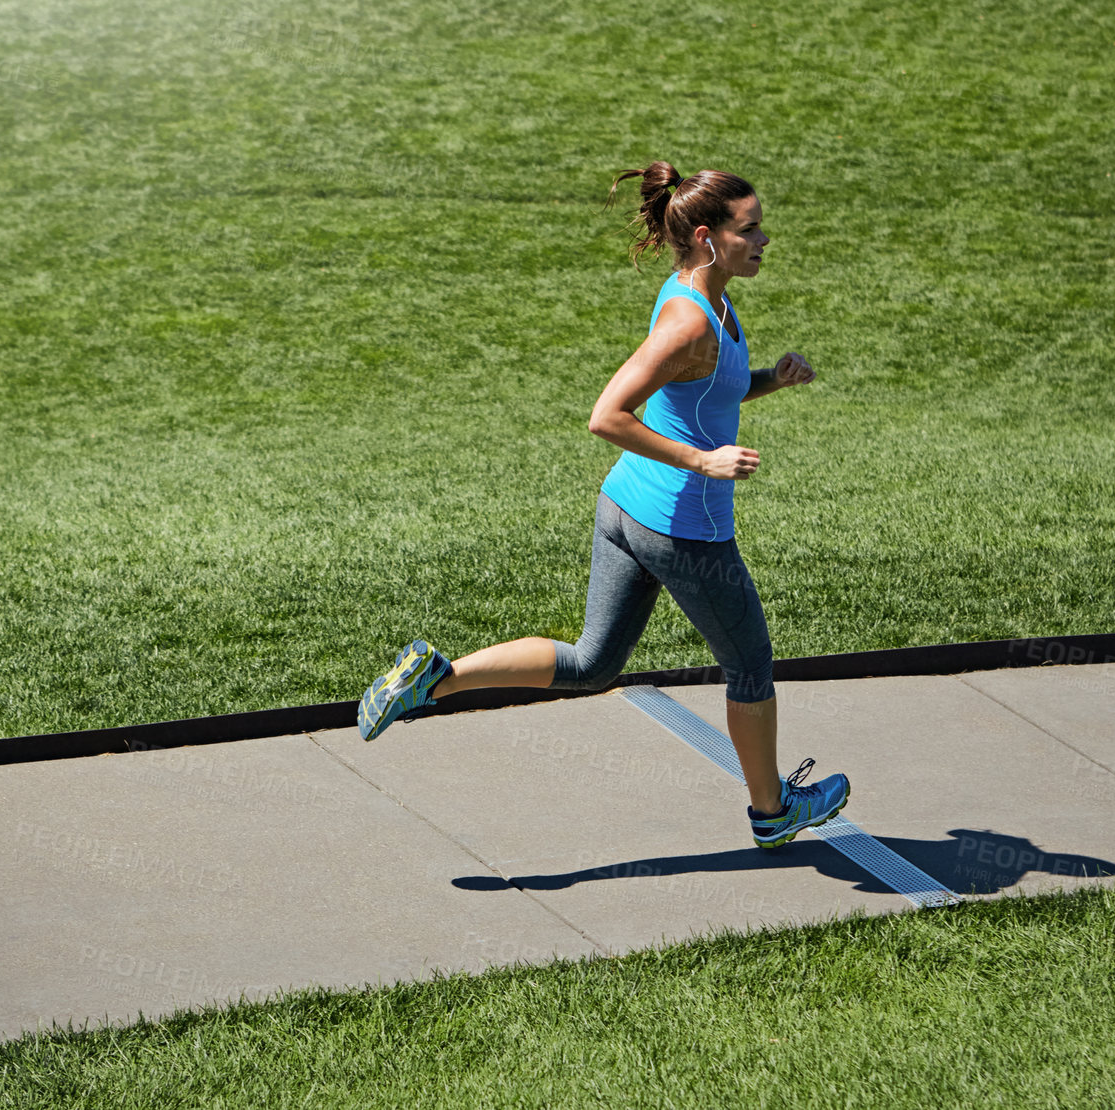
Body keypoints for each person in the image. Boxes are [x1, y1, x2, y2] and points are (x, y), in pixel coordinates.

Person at [356, 160, 849, 849]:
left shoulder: (702, 293)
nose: (765, 240)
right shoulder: (688, 321)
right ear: (707, 237)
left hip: (627, 509)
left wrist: (771, 380)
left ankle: (433, 680)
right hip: (683, 526)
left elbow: (697, 397)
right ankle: (773, 812)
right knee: (749, 667)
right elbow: (607, 415)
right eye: (752, 229)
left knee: (593, 663)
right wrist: (701, 461)